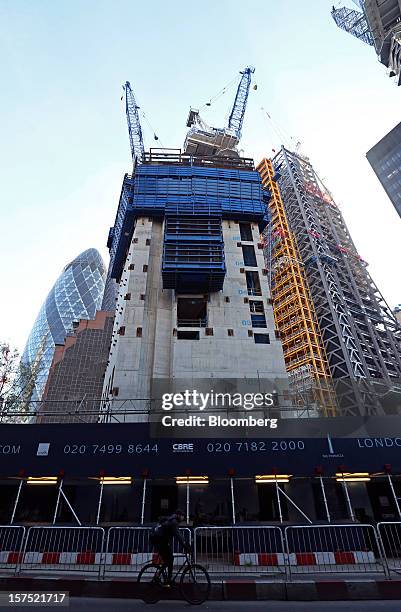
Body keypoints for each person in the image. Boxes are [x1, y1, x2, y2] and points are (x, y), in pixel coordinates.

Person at [151, 509, 190, 585]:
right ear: (178, 515)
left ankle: (168, 578)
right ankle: (161, 576)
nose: (183, 518)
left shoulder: (172, 520)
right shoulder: (173, 522)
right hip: (160, 542)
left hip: (162, 541)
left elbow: (178, 535)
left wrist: (184, 544)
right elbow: (178, 535)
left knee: (170, 559)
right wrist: (185, 546)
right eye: (182, 516)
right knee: (169, 559)